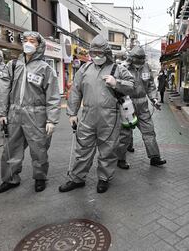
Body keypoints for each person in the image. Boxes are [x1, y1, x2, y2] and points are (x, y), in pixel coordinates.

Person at [59, 35, 135, 194]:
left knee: (108, 150)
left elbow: (132, 86)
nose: (96, 56)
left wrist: (117, 83)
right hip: (87, 116)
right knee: (83, 149)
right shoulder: (85, 69)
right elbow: (75, 91)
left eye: (100, 53)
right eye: (93, 53)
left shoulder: (118, 69)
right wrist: (72, 113)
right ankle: (77, 178)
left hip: (110, 118)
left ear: (106, 52)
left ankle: (104, 178)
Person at [0, 31, 61, 193]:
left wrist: (51, 120)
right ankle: (10, 179)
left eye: (32, 41)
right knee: (11, 148)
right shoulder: (13, 65)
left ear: (39, 45)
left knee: (39, 149)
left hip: (37, 116)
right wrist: (1, 113)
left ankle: (40, 177)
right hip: (14, 114)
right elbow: (3, 89)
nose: (28, 43)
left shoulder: (46, 69)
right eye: (26, 40)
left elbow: (52, 96)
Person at [116, 46, 166, 170]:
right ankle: (120, 159)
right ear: (131, 58)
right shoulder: (123, 68)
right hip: (127, 104)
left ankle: (154, 157)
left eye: (141, 59)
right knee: (125, 134)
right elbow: (116, 85)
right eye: (137, 59)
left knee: (149, 131)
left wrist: (154, 99)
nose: (139, 62)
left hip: (143, 105)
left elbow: (150, 85)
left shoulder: (146, 67)